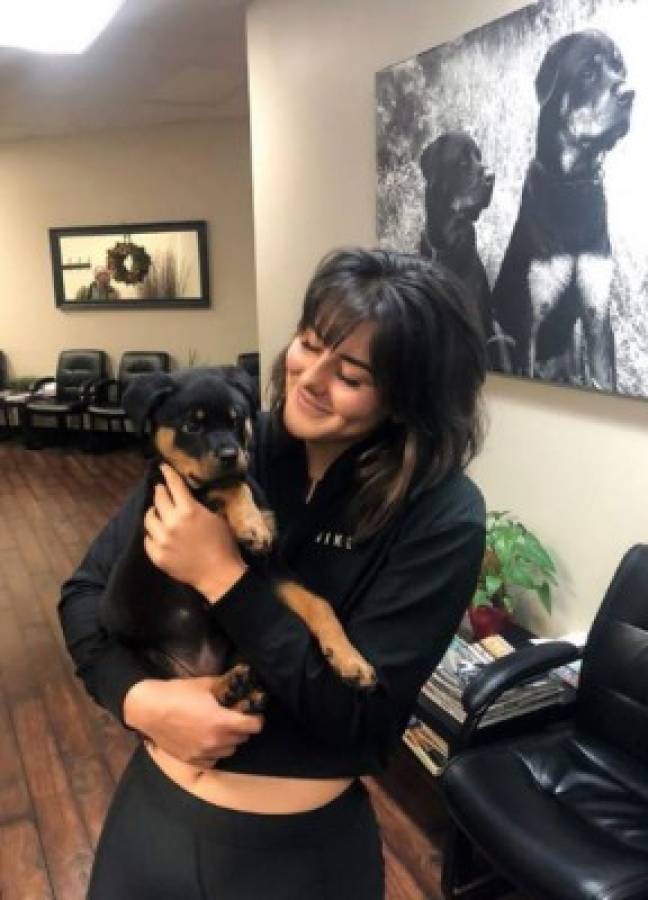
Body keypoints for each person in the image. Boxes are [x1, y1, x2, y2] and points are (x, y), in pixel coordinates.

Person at [59, 247, 487, 899]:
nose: (309, 377)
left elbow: (358, 721)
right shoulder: (227, 445)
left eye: (349, 373)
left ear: (406, 398)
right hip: (149, 817)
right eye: (308, 344)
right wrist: (139, 699)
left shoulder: (441, 516)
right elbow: (84, 598)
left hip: (294, 858)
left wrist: (223, 577)